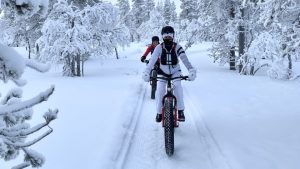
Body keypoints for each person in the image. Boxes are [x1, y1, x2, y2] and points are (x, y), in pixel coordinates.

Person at [142, 26, 196, 122]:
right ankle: (159, 112)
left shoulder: (177, 46)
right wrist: (146, 72)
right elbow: (152, 60)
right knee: (159, 91)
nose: (168, 38)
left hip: (175, 72)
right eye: (166, 36)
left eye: (170, 35)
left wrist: (191, 70)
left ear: (173, 36)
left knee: (178, 87)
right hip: (163, 73)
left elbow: (184, 59)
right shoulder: (159, 47)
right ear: (162, 37)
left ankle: (180, 111)